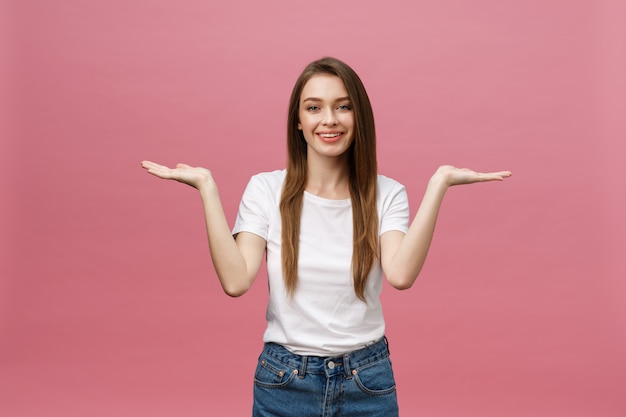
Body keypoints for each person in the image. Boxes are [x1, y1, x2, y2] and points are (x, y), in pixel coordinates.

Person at [141, 57, 511, 417]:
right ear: (298, 122)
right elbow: (236, 281)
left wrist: (438, 184)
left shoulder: (387, 194)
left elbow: (400, 275)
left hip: (367, 380)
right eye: (314, 108)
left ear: (358, 117)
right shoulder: (266, 189)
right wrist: (207, 188)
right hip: (285, 382)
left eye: (343, 106)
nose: (329, 120)